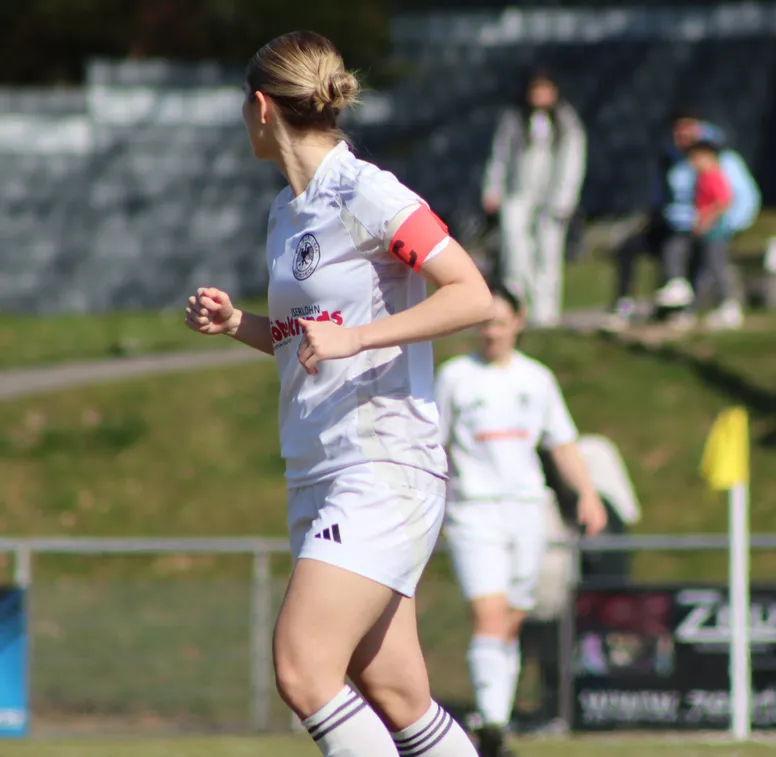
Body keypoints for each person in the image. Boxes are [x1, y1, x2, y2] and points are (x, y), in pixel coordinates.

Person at [183, 31, 493, 757]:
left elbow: (472, 293)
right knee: (397, 696)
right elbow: (307, 338)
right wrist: (237, 325)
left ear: (261, 107)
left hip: (381, 465)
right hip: (318, 472)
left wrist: (357, 339)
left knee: (302, 666)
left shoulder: (368, 192)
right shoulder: (285, 215)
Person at [434, 284, 607, 756]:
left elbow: (561, 442)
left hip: (528, 511)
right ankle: (491, 725)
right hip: (474, 511)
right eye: (484, 320)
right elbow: (435, 448)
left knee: (510, 622)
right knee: (488, 616)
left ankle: (497, 721)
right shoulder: (454, 378)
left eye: (500, 320)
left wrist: (587, 494)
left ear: (518, 321)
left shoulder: (537, 379)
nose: (491, 329)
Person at [607, 109, 759, 330]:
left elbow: (733, 199)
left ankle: (704, 306)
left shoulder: (721, 162)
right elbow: (662, 199)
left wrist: (718, 224)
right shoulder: (670, 160)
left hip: (710, 228)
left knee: (699, 258)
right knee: (632, 246)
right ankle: (625, 306)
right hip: (676, 225)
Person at [482, 69, 587, 329]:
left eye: (545, 90)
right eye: (535, 90)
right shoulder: (514, 119)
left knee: (548, 253)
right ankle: (516, 308)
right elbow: (500, 156)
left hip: (552, 197)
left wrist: (565, 198)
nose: (540, 96)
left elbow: (574, 161)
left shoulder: (566, 120)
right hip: (517, 194)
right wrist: (492, 189)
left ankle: (546, 314)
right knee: (515, 251)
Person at [683, 139, 742, 329]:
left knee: (717, 267)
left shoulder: (712, 176)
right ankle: (695, 308)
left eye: (696, 158)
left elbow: (723, 200)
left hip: (716, 232)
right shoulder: (701, 177)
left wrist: (706, 220)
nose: (693, 163)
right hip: (708, 232)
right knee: (703, 269)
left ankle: (729, 306)